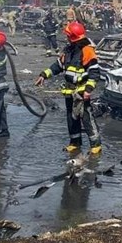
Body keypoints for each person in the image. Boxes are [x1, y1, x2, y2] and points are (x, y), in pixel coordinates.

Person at [35, 21, 102, 155]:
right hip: (69, 91)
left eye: (68, 35)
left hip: (81, 91)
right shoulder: (69, 50)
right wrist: (44, 75)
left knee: (86, 118)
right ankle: (75, 143)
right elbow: (58, 65)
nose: (66, 38)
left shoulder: (87, 50)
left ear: (73, 37)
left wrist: (88, 90)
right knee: (71, 119)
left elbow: (94, 73)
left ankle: (96, 145)